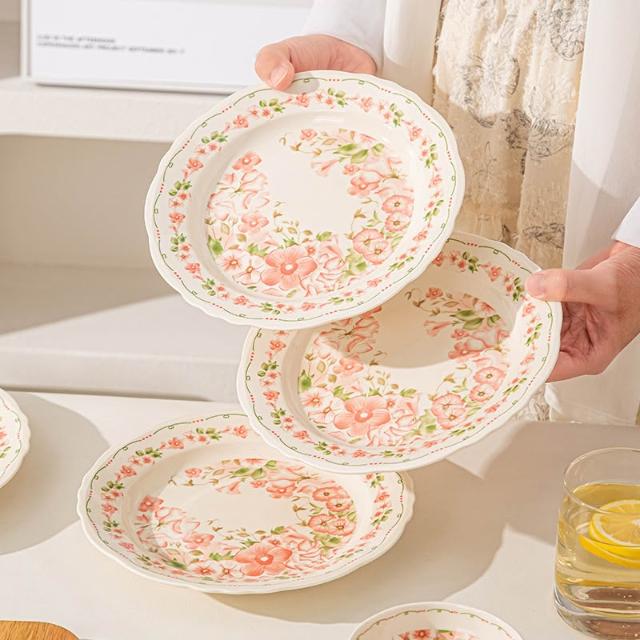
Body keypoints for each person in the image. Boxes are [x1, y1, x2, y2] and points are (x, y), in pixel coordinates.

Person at [255, 0, 640, 424]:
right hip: (455, 64)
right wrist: (350, 32)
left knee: (579, 440)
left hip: (598, 90)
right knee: (426, 381)